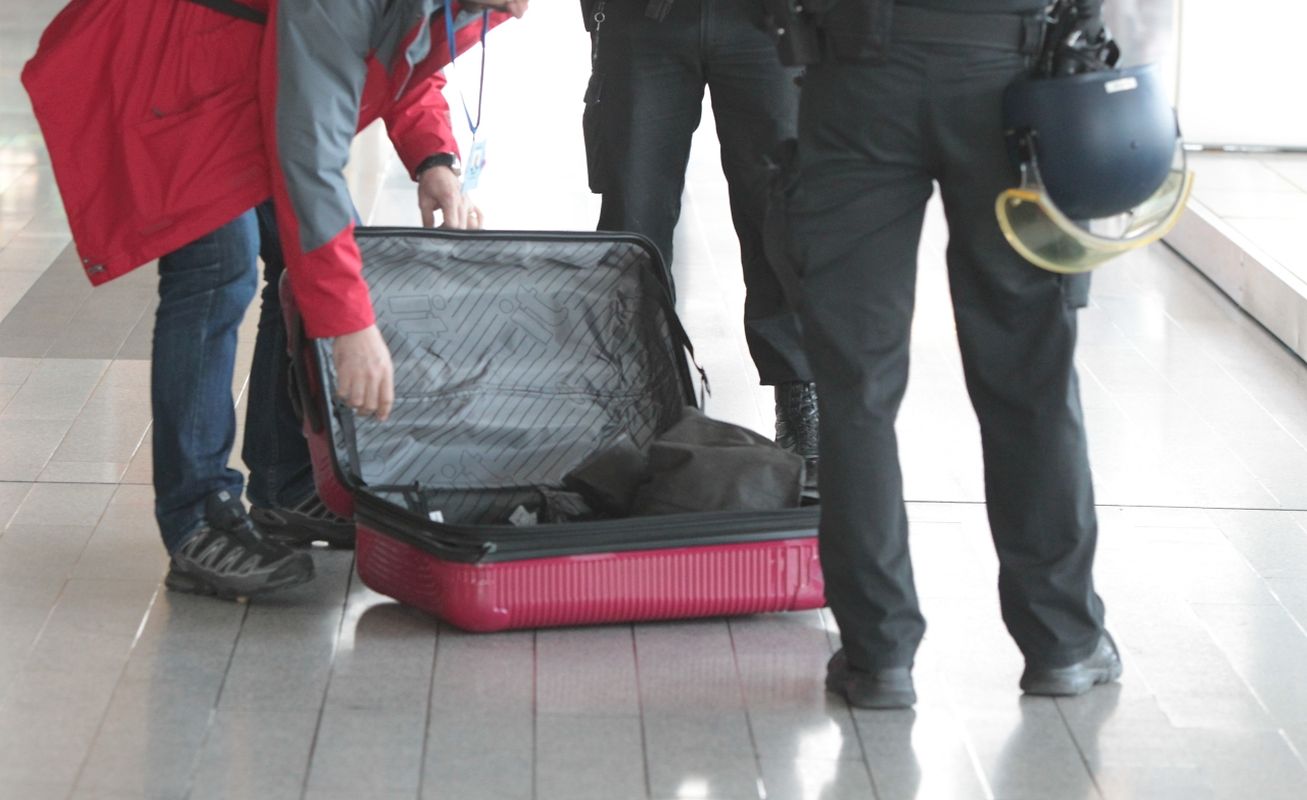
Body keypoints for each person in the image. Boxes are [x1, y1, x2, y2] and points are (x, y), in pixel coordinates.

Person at [23, 0, 527, 599]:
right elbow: (309, 156)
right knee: (217, 269)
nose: (523, 10)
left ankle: (286, 481)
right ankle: (196, 521)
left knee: (303, 260)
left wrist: (434, 157)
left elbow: (399, 45)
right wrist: (351, 327)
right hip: (174, 64)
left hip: (248, 62)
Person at [785, 0, 1121, 707]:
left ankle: (878, 654)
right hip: (1010, 85)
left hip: (854, 77)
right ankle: (1061, 640)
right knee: (1029, 373)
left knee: (856, 388)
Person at [580, 0, 820, 472]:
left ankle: (799, 393)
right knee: (634, 216)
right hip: (644, 19)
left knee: (782, 210)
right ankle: (633, 391)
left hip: (767, 20)